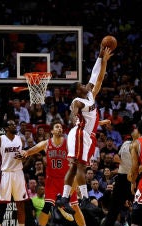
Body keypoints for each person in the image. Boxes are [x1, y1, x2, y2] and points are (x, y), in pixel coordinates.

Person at [56, 47, 112, 216]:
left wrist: (102, 57)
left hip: (83, 134)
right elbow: (74, 113)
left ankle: (64, 198)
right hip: (79, 133)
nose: (84, 85)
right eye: (81, 85)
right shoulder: (77, 101)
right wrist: (75, 120)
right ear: (77, 91)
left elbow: (97, 75)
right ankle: (85, 199)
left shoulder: (89, 96)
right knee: (81, 166)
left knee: (74, 167)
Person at [22, 121, 92, 226]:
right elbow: (35, 148)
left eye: (61, 127)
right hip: (52, 181)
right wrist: (26, 152)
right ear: (52, 131)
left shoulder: (68, 144)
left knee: (75, 206)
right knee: (47, 207)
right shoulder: (47, 144)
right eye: (57, 127)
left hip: (66, 181)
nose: (59, 129)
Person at [0, 119, 30, 226]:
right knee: (1, 206)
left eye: (15, 124)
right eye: (12, 124)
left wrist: (25, 157)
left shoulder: (21, 139)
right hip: (5, 174)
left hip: (18, 173)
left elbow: (25, 157)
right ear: (6, 128)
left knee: (21, 205)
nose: (15, 126)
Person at [100, 132, 135, 226]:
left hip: (126, 177)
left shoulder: (129, 144)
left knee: (115, 211)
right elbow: (116, 158)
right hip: (129, 177)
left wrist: (124, 165)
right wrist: (127, 167)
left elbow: (116, 157)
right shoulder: (130, 144)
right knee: (116, 210)